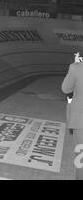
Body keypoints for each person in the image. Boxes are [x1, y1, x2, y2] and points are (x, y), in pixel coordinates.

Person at [61, 52, 83, 180]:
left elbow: (66, 89)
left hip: (81, 120)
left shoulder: (76, 68)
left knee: (81, 155)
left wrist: (75, 64)